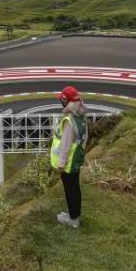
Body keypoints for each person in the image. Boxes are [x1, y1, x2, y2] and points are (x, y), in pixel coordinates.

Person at [50, 85, 88, 229]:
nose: (61, 103)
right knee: (75, 189)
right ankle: (74, 215)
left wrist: (61, 164)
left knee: (70, 190)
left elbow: (65, 145)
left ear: (68, 102)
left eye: (63, 100)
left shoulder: (69, 120)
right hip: (76, 159)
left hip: (68, 163)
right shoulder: (81, 115)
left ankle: (73, 219)